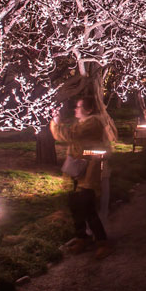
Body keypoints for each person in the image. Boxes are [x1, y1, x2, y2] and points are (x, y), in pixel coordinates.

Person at [51, 96, 112, 260]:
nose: (75, 109)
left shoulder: (93, 123)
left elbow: (70, 135)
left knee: (87, 206)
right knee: (75, 205)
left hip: (90, 171)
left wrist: (56, 122)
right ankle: (81, 237)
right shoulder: (82, 123)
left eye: (79, 106)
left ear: (89, 109)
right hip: (78, 170)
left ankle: (101, 241)